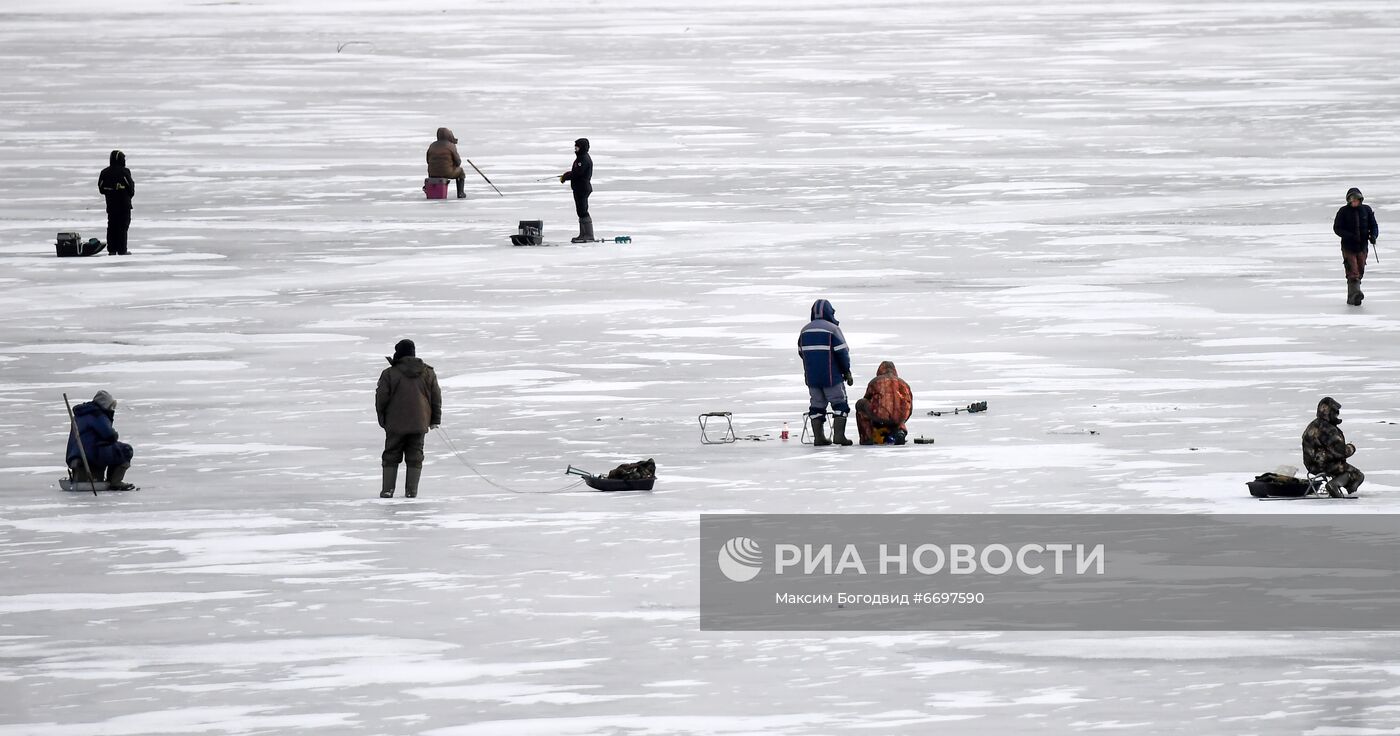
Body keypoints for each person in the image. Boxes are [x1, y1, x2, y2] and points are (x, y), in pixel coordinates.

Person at [376, 339, 442, 498]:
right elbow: (436, 397)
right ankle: (411, 493)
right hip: (419, 422)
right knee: (415, 456)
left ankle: (387, 491)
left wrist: (382, 418)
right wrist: (435, 420)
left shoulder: (389, 374)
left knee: (391, 455)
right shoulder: (428, 372)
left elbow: (381, 398)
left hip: (395, 423)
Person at [798, 299, 853, 446]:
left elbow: (801, 352)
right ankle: (839, 436)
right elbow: (842, 353)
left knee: (817, 405)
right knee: (839, 403)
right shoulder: (833, 330)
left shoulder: (804, 330)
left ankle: (819, 437)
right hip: (831, 376)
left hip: (812, 377)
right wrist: (846, 371)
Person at [66, 390, 136, 490]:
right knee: (125, 449)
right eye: (111, 406)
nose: (112, 409)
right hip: (92, 453)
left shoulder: (81, 414)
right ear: (105, 404)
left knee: (112, 448)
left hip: (75, 454)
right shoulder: (97, 414)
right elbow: (110, 435)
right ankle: (115, 481)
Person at [1301, 396, 1364, 497]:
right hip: (1326, 465)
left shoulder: (1312, 425)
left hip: (1311, 465)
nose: (1337, 415)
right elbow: (1341, 452)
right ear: (1329, 412)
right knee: (1357, 475)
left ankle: (1339, 486)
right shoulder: (1329, 430)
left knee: (1345, 469)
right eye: (1335, 412)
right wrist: (1351, 447)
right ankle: (1335, 485)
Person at [1332, 187, 1378, 305]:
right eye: (1352, 199)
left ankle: (1351, 297)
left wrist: (1373, 235)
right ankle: (1356, 295)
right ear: (1348, 200)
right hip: (1348, 247)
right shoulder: (1343, 212)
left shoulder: (1366, 210)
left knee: (1360, 270)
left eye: (1356, 199)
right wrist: (1349, 235)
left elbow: (1373, 225)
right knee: (1353, 272)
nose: (1354, 201)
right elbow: (1337, 228)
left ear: (1360, 199)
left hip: (1362, 246)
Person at [855, 361, 913, 445]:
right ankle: (900, 431)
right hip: (902, 415)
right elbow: (910, 406)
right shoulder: (904, 384)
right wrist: (901, 419)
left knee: (861, 404)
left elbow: (867, 398)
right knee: (897, 413)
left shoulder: (875, 381)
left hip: (881, 413)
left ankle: (867, 438)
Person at [97, 150, 134, 255]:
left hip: (111, 205)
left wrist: (111, 193)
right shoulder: (125, 172)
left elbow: (101, 188)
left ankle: (112, 249)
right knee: (122, 227)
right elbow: (131, 188)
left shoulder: (104, 172)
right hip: (124, 205)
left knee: (112, 227)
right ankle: (122, 250)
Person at [559, 138, 593, 243]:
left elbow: (577, 173)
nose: (575, 149)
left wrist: (566, 176)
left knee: (583, 211)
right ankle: (583, 234)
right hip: (579, 188)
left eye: (577, 147)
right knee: (580, 211)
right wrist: (566, 175)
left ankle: (588, 235)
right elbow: (576, 172)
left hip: (582, 188)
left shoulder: (583, 159)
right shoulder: (581, 158)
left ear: (582, 147)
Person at [426, 127, 466, 199]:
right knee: (461, 172)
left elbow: (428, 160)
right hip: (447, 172)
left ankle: (433, 191)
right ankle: (460, 193)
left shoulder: (432, 145)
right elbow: (458, 162)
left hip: (432, 173)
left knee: (433, 169)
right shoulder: (450, 145)